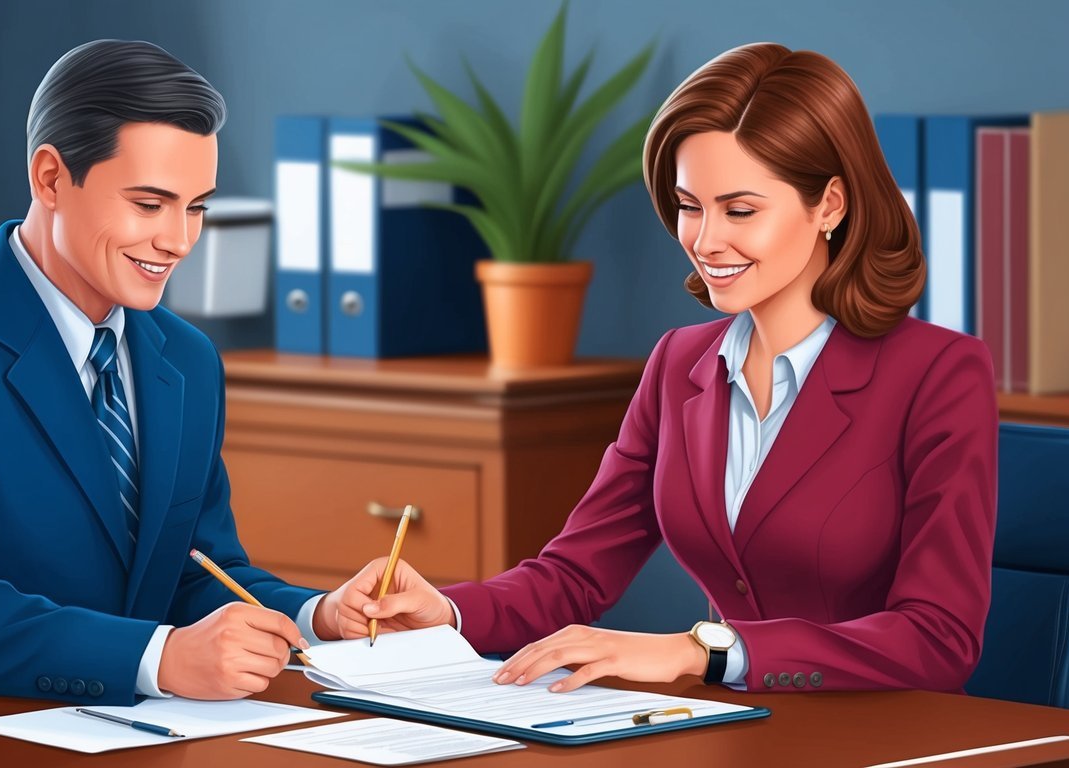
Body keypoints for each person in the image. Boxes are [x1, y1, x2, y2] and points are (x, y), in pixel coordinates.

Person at [320, 42, 998, 694]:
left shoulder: (937, 374)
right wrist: (450, 614)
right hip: (732, 731)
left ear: (829, 204)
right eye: (687, 206)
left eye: (739, 210)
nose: (704, 241)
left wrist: (698, 650)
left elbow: (937, 641)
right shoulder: (681, 364)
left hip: (888, 737)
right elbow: (573, 575)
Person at [0, 39, 353, 705]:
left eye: (197, 207)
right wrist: (158, 657)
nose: (179, 240)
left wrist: (317, 616)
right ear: (50, 178)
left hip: (121, 731)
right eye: (149, 204)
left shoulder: (183, 358)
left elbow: (192, 572)